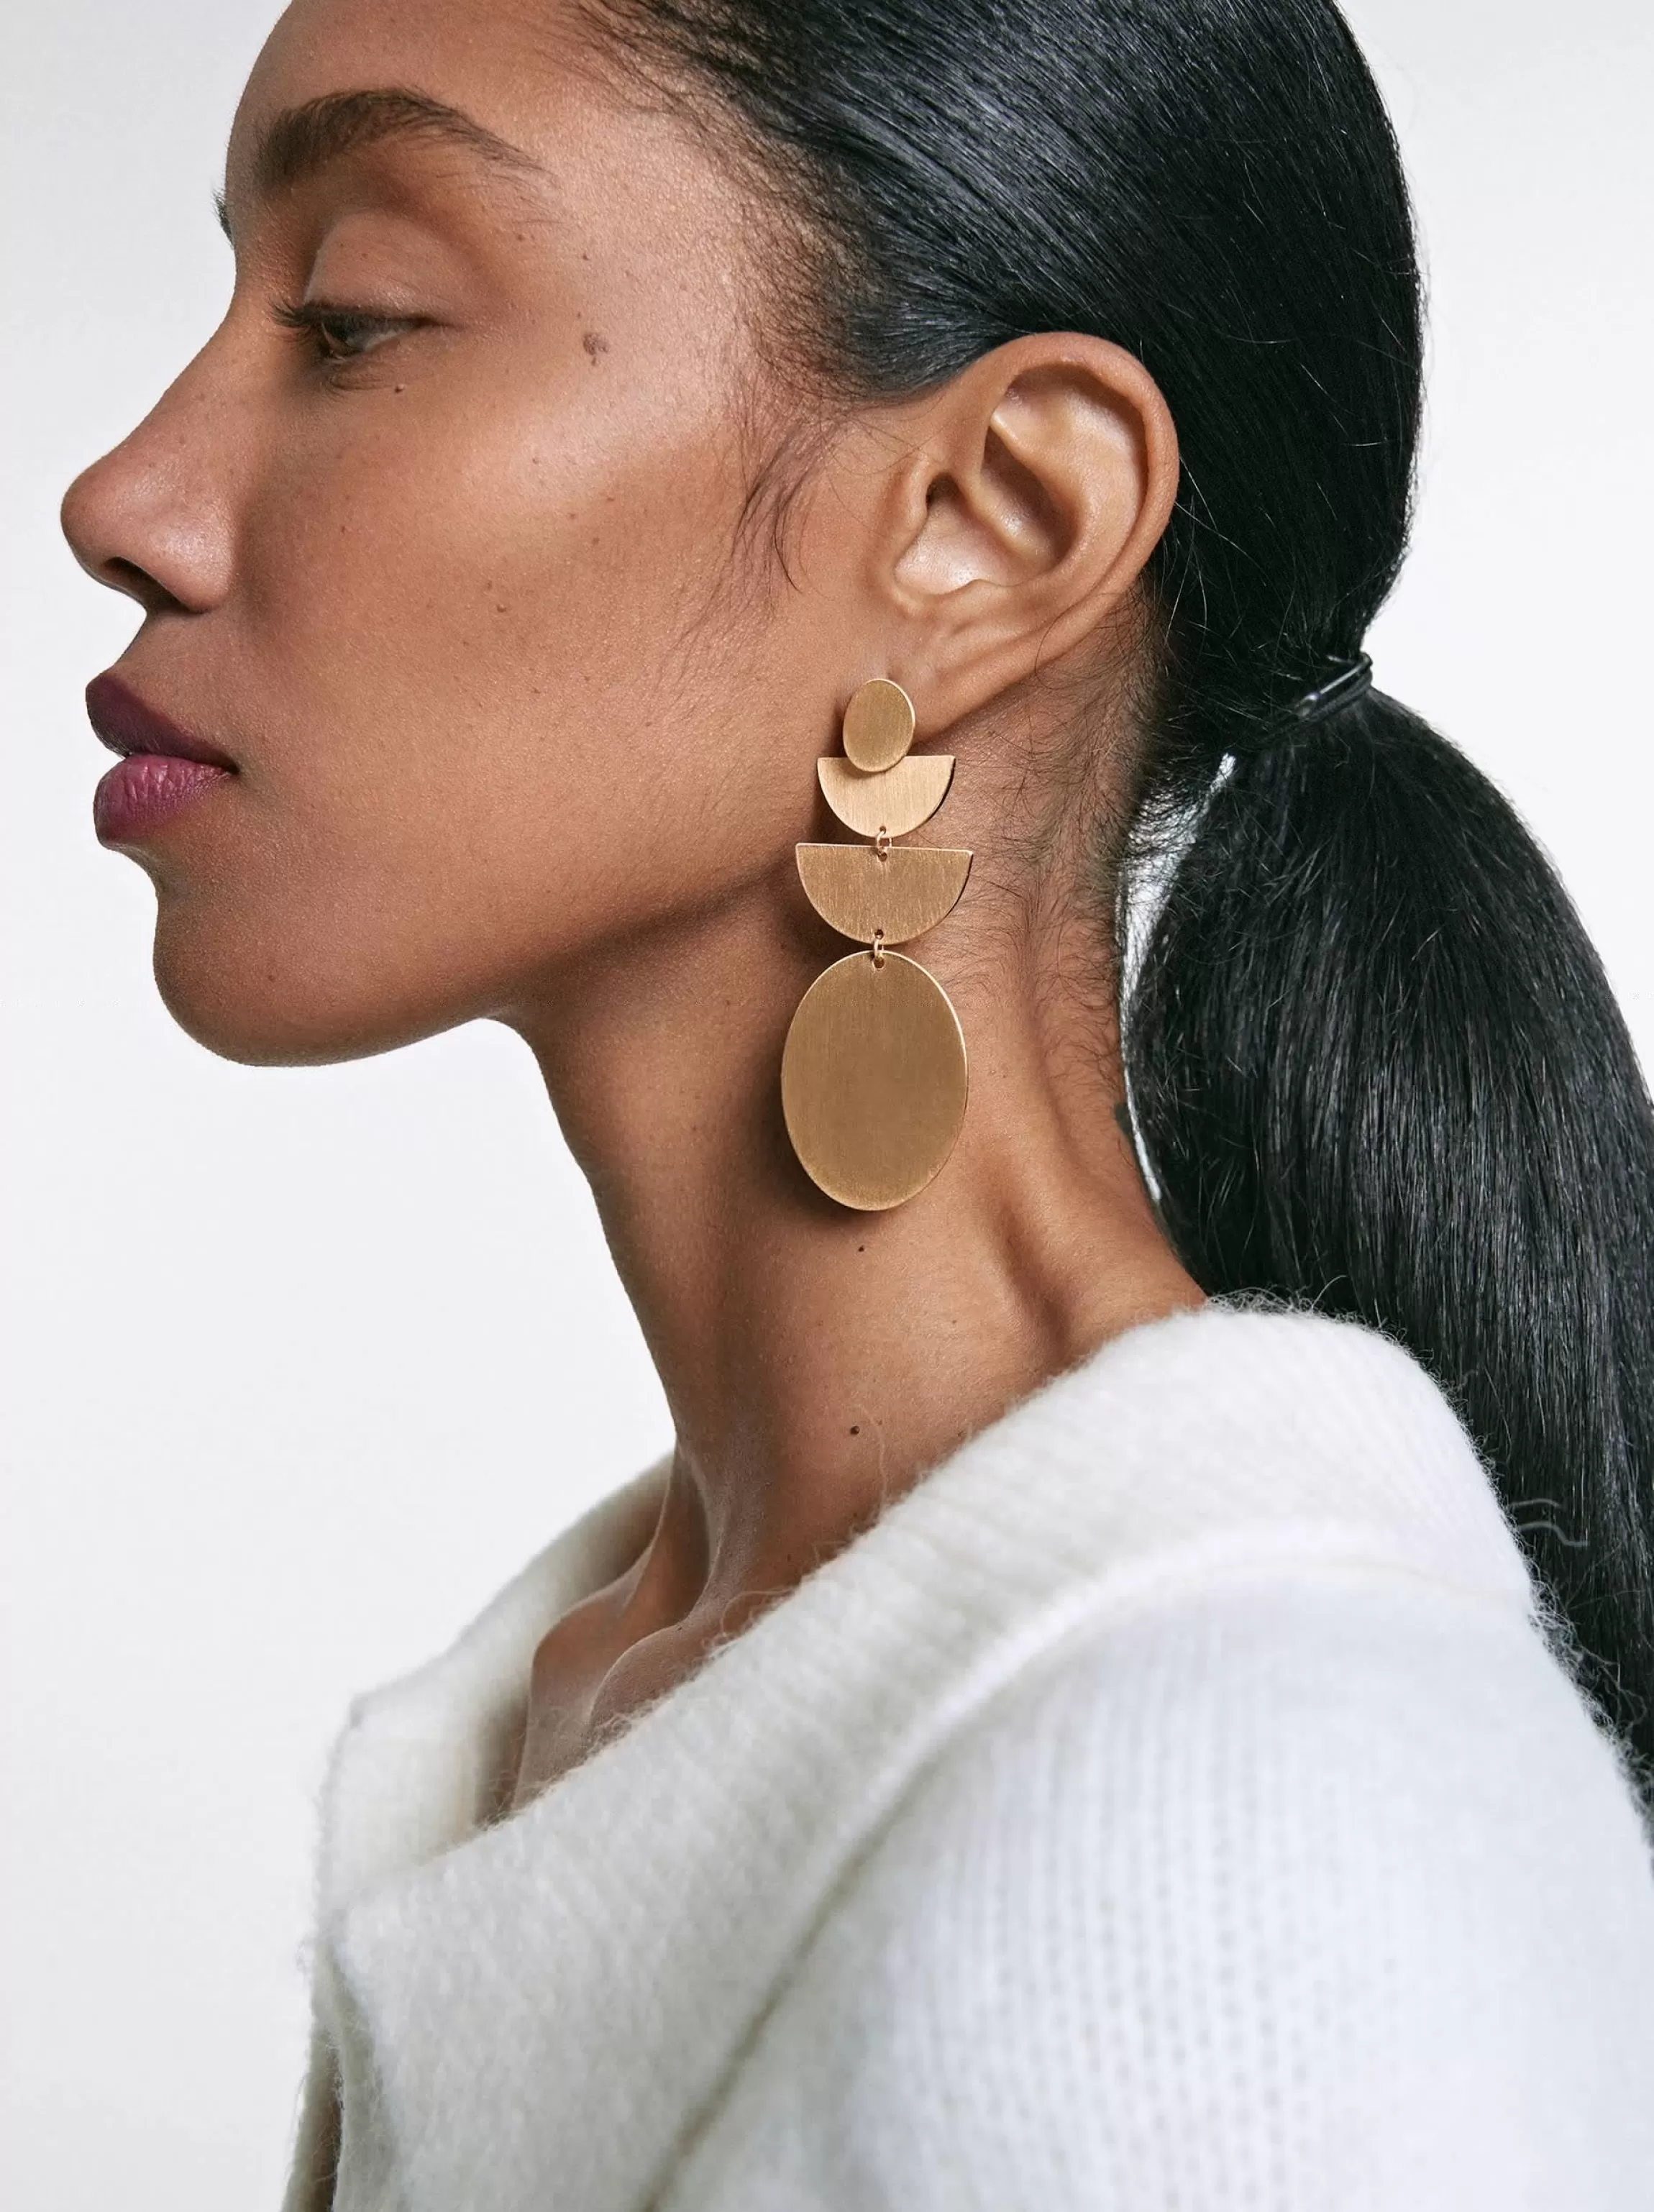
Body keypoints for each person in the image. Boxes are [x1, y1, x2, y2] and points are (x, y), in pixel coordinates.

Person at [60, 0, 1654, 2203]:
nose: (121, 500)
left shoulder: (1239, 1833)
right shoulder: (586, 1705)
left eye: (354, 318)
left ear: (989, 522)